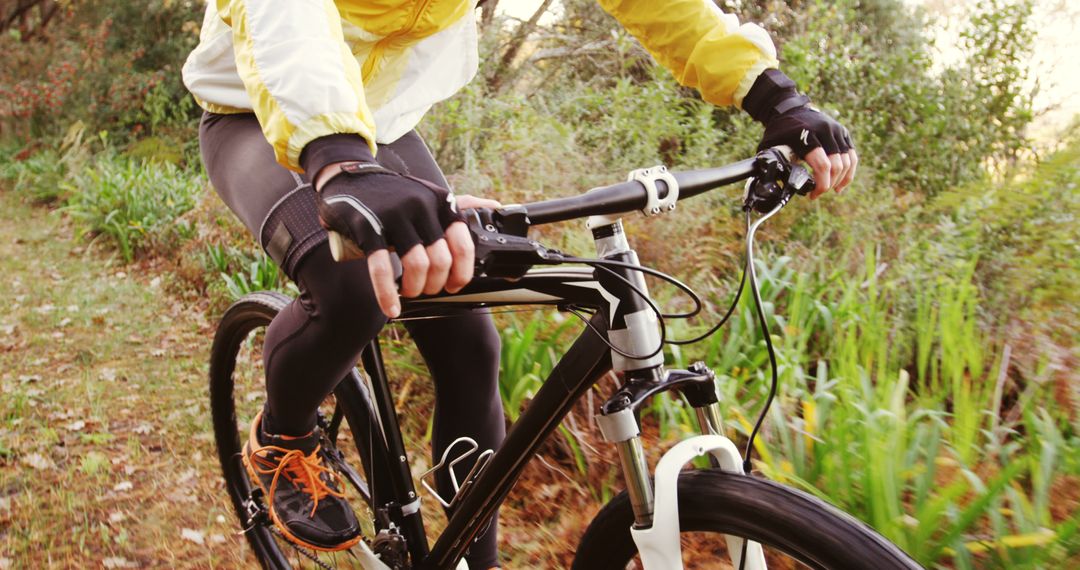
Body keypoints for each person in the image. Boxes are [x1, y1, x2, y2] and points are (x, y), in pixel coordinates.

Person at [182, 0, 857, 567]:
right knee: (353, 286)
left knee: (471, 343)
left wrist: (771, 93)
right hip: (252, 104)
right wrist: (335, 157)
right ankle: (283, 438)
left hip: (381, 126)